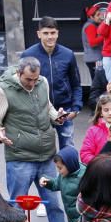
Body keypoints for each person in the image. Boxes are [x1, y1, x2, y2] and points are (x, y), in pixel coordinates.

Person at [0, 58, 74, 222]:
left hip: (46, 155)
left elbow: (48, 107)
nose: (32, 84)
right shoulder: (2, 90)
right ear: (18, 73)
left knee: (53, 203)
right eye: (28, 80)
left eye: (35, 79)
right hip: (20, 157)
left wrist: (56, 116)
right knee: (16, 208)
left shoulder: (42, 82)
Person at [22, 16, 83, 148]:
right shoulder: (28, 55)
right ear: (38, 34)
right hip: (39, 111)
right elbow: (21, 87)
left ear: (57, 33)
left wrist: (76, 108)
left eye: (53, 33)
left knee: (68, 150)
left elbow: (76, 84)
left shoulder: (68, 55)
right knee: (41, 150)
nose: (50, 37)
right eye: (46, 33)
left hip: (64, 110)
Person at [38, 146, 84, 222]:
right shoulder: (64, 175)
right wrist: (47, 182)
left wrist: (81, 221)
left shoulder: (84, 178)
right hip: (74, 221)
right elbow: (56, 184)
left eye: (60, 168)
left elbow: (90, 203)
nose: (58, 171)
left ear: (70, 165)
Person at [80, 94, 111, 164]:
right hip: (100, 170)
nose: (110, 113)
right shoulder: (93, 131)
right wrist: (98, 163)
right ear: (101, 112)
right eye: (106, 110)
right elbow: (85, 154)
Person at [81, 3, 107, 79]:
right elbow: (92, 43)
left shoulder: (91, 25)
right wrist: (104, 36)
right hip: (94, 59)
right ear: (91, 17)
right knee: (98, 82)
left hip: (93, 58)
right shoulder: (90, 26)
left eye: (100, 14)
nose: (100, 17)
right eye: (98, 15)